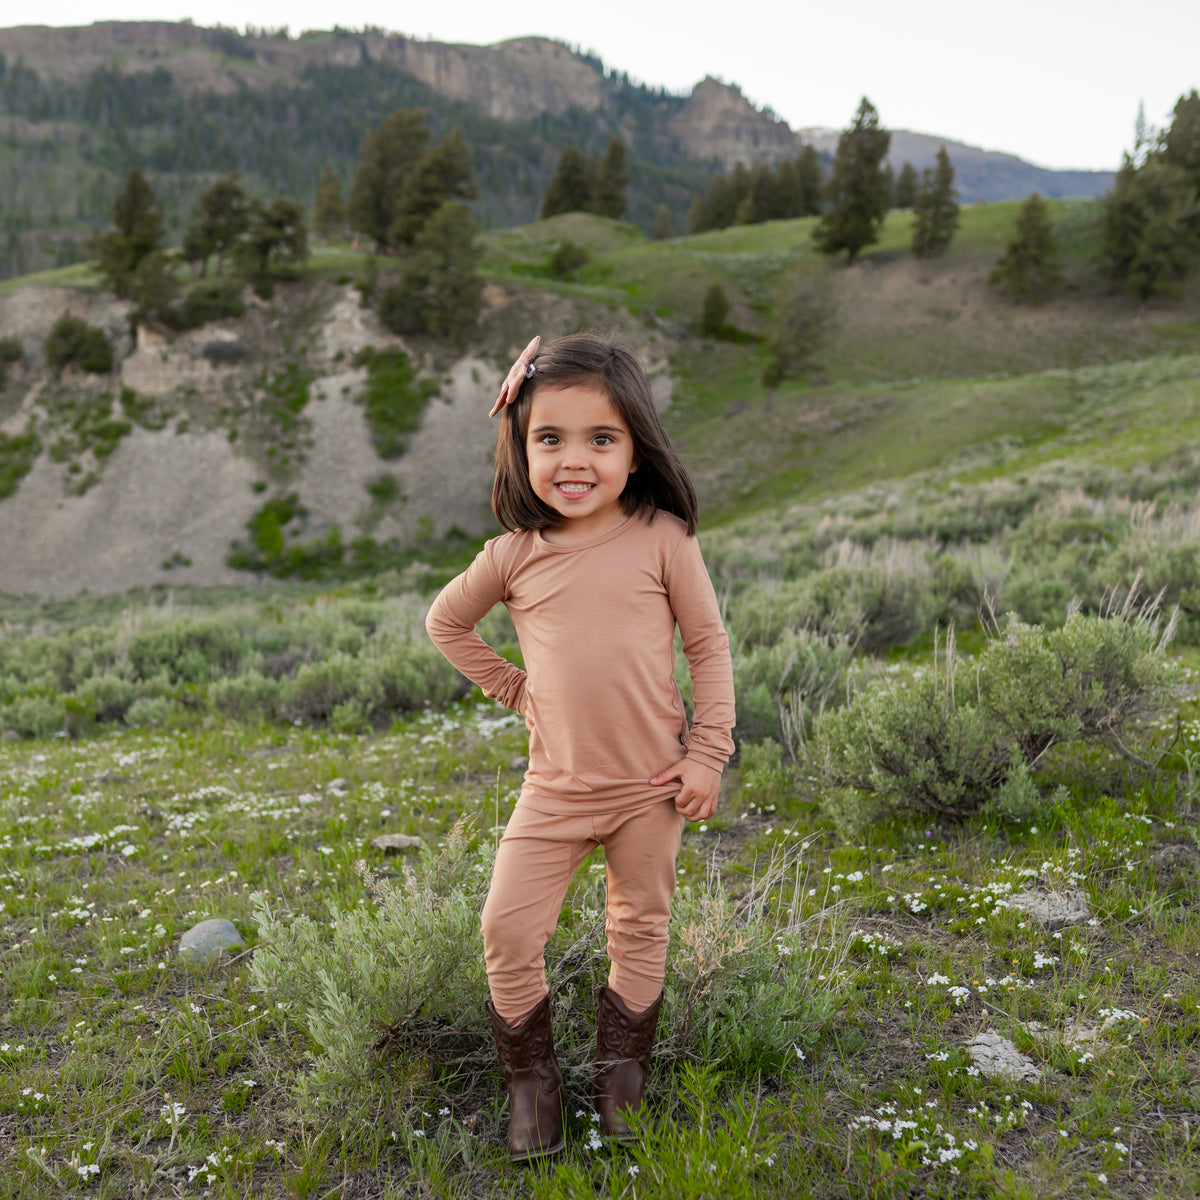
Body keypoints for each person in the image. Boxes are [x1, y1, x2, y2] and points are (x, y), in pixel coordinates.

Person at [425, 333, 735, 1161]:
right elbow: (446, 623)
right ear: (520, 448)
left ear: (635, 450)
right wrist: (515, 689)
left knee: (640, 925)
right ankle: (535, 1088)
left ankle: (619, 1081)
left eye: (601, 439)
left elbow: (708, 648)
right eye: (549, 439)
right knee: (506, 930)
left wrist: (707, 752)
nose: (575, 460)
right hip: (554, 789)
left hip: (650, 788)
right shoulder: (514, 555)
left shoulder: (665, 538)